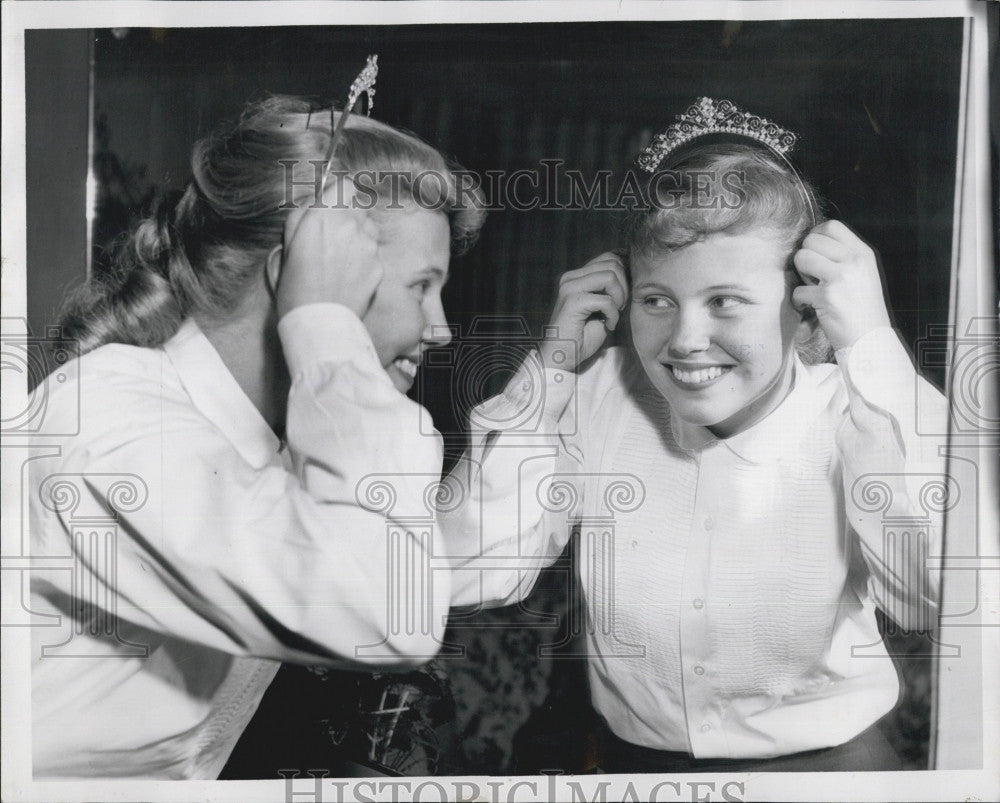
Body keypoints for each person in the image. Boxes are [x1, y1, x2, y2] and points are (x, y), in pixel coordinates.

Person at [442, 98, 949, 772]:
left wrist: (873, 345)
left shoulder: (855, 410)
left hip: (830, 775)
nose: (684, 340)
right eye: (658, 300)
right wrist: (552, 367)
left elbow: (928, 589)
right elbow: (464, 566)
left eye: (725, 301)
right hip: (632, 771)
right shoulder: (599, 396)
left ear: (804, 304)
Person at [28, 92, 485, 778]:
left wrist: (560, 376)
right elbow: (386, 612)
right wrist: (326, 327)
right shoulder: (110, 418)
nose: (441, 325)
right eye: (421, 286)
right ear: (292, 274)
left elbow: (438, 562)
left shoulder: (253, 447)